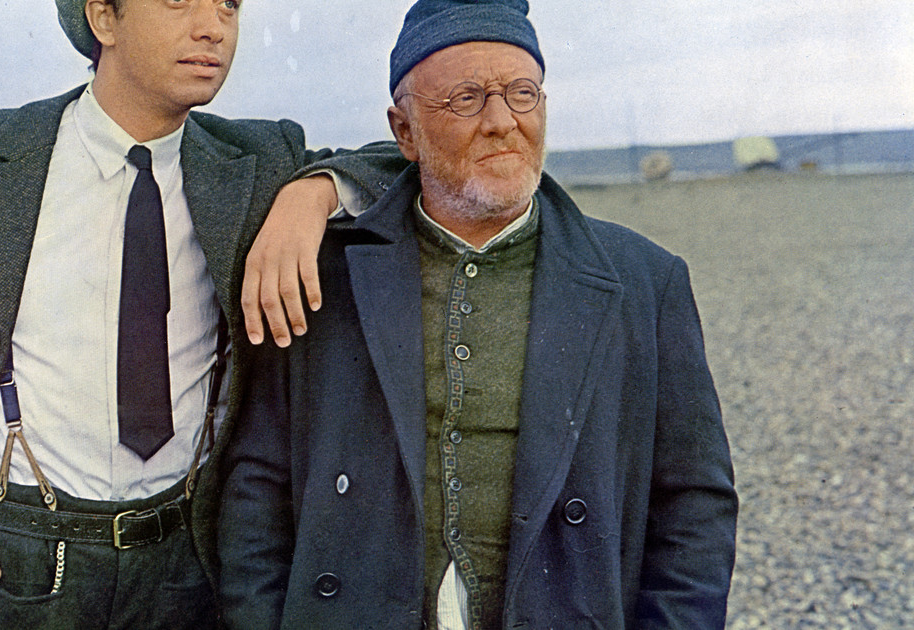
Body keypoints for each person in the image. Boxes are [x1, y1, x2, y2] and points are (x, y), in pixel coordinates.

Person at [0, 1, 400, 628]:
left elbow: (404, 158)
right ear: (103, 18)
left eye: (229, 3)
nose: (214, 27)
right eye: (179, 0)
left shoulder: (261, 162)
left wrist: (314, 191)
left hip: (185, 568)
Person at [218, 0, 739, 628]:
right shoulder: (323, 274)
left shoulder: (644, 282)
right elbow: (257, 487)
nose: (502, 122)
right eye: (466, 99)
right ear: (404, 132)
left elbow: (694, 508)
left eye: (522, 94)